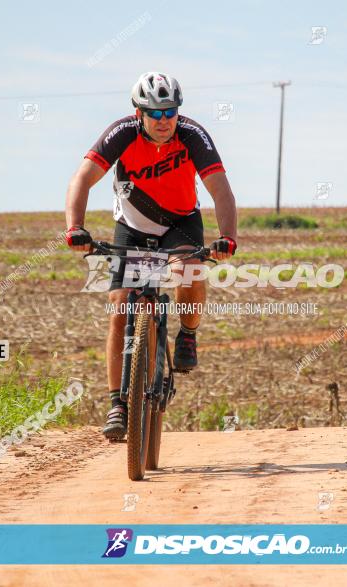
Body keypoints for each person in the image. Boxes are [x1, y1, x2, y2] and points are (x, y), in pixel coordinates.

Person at [65, 71, 238, 440]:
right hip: (133, 227)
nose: (164, 121)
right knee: (119, 307)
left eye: (170, 112)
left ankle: (188, 333)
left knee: (189, 271)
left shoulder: (193, 135)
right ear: (139, 112)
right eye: (155, 113)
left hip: (181, 222)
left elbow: (220, 189)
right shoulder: (121, 133)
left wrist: (228, 237)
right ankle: (117, 404)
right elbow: (82, 178)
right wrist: (75, 228)